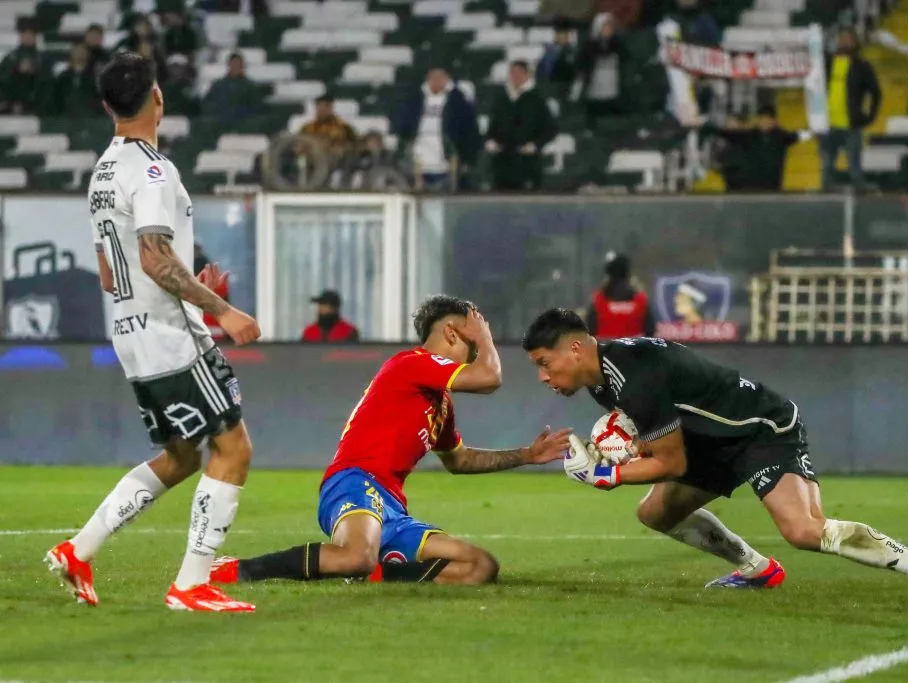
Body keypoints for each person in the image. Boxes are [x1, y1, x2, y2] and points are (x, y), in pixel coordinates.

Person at [521, 309, 908, 602]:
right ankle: (756, 569)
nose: (542, 376)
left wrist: (608, 475)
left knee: (804, 530)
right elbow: (657, 438)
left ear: (575, 349)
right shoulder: (604, 379)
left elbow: (670, 462)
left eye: (545, 362)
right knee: (655, 511)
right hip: (709, 440)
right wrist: (625, 449)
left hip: (761, 428)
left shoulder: (632, 376)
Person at [45, 51, 262, 613]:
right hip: (171, 331)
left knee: (182, 455)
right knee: (234, 448)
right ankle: (191, 585)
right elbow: (154, 260)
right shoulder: (151, 169)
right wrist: (222, 309)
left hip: (130, 332)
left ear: (105, 106)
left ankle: (80, 549)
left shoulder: (103, 171)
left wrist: (188, 280)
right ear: (158, 97)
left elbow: (108, 268)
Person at [209, 296, 571, 586]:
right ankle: (236, 570)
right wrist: (486, 336)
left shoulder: (439, 402)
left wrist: (526, 454)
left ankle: (375, 574)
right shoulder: (411, 363)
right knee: (355, 555)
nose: (476, 346)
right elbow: (489, 377)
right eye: (471, 335)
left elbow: (459, 461)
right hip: (354, 481)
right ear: (452, 332)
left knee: (478, 566)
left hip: (392, 507)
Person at [820, 28, 881, 191]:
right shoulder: (827, 63)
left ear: (855, 42)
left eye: (849, 39)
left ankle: (859, 204)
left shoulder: (862, 66)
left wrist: (870, 116)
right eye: (842, 38)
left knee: (855, 170)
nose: (845, 42)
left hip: (851, 125)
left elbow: (876, 92)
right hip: (827, 125)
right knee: (826, 171)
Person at [484, 61, 558, 191]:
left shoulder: (537, 99)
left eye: (519, 73)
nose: (515, 77)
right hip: (502, 163)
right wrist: (491, 141)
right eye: (512, 73)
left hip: (527, 163)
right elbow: (493, 126)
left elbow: (551, 129)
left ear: (527, 75)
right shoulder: (502, 99)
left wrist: (535, 145)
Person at [703, 105, 811, 191]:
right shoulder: (749, 135)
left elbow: (799, 135)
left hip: (773, 186)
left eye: (767, 119)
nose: (764, 122)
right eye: (762, 119)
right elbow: (727, 133)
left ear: (774, 121)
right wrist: (708, 127)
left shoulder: (781, 136)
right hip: (751, 187)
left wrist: (815, 131)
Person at [584, 254, 655, 339]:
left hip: (605, 350)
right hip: (634, 350)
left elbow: (589, 330)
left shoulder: (598, 301)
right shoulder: (641, 301)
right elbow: (650, 331)